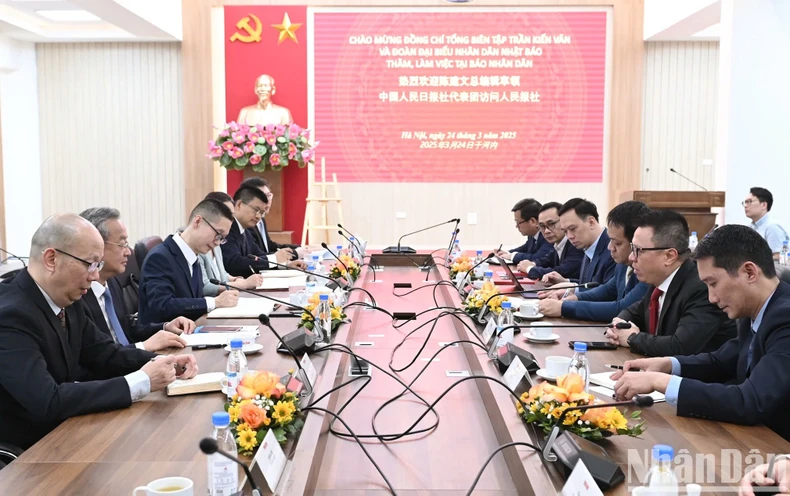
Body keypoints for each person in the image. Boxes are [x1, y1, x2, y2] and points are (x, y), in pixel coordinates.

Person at [0, 214, 198, 450]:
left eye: (99, 265)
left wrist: (164, 362)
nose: (95, 276)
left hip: (74, 430)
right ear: (51, 259)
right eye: (90, 264)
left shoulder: (67, 300)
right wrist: (141, 381)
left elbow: (105, 354)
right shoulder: (11, 315)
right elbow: (47, 400)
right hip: (32, 454)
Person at [612, 225, 790, 442]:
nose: (712, 298)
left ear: (749, 272)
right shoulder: (755, 308)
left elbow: (750, 401)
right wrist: (667, 364)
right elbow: (721, 361)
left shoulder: (785, 318)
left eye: (713, 284)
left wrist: (661, 382)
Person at [605, 209, 736, 356]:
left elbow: (680, 347)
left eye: (638, 250)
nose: (631, 257)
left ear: (669, 256)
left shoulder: (701, 288)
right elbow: (633, 312)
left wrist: (632, 338)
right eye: (632, 249)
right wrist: (619, 325)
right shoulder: (659, 281)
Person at [79, 207, 195, 351]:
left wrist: (166, 327)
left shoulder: (112, 282)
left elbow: (126, 327)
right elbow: (97, 355)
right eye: (122, 244)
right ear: (97, 246)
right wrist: (144, 347)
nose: (128, 252)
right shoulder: (78, 295)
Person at [540, 201, 650, 322]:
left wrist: (563, 307)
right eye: (565, 231)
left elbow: (622, 308)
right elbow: (607, 290)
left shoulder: (648, 270)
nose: (610, 247)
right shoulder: (622, 263)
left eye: (617, 242)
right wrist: (574, 297)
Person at [138, 199, 240, 325]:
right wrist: (215, 302)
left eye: (222, 239)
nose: (217, 242)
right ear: (197, 221)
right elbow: (162, 305)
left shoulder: (193, 257)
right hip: (166, 339)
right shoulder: (160, 257)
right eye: (218, 234)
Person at [539, 198, 617, 298]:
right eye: (565, 231)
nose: (569, 236)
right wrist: (566, 282)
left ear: (591, 222)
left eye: (572, 229)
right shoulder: (588, 246)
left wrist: (573, 291)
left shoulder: (612, 249)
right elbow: (591, 283)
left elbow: (608, 295)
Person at [221, 186, 306, 277]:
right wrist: (275, 258)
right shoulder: (227, 228)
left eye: (261, 212)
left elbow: (259, 255)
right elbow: (234, 263)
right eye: (256, 210)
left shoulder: (245, 231)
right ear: (239, 205)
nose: (258, 216)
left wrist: (285, 265)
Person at [198, 192, 263, 296]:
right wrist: (244, 284)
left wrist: (235, 279)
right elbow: (205, 287)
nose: (230, 220)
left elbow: (222, 274)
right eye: (226, 214)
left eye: (231, 215)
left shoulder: (218, 239)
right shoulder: (199, 243)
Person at [238, 176, 306, 259]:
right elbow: (256, 256)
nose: (267, 201)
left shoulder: (261, 219)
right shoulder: (247, 222)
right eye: (262, 197)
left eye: (268, 196)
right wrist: (295, 254)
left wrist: (297, 248)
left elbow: (268, 246)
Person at [516, 202, 584, 282]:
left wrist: (529, 268)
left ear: (563, 222)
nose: (546, 231)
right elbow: (546, 261)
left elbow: (561, 273)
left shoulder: (575, 244)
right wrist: (533, 264)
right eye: (542, 226)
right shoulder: (558, 244)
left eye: (551, 224)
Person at [495, 198, 553, 264]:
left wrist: (512, 256)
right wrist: (506, 253)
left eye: (518, 222)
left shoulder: (548, 235)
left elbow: (538, 257)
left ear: (532, 221)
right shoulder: (533, 234)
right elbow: (524, 248)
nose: (516, 226)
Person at [744, 187, 789, 259]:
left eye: (749, 202)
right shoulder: (749, 227)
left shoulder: (772, 227)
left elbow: (779, 257)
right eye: (745, 202)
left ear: (763, 205)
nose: (745, 206)